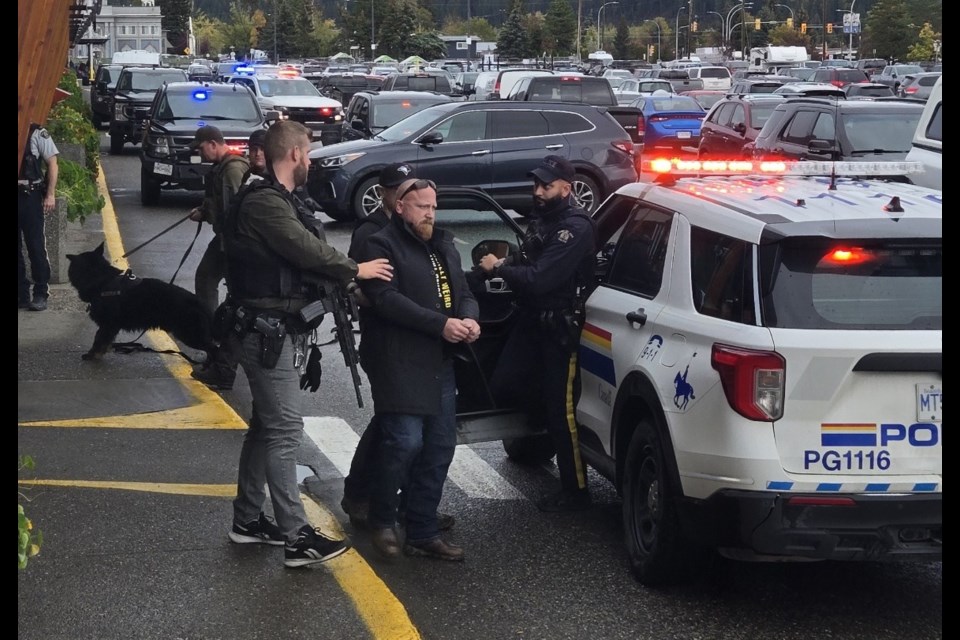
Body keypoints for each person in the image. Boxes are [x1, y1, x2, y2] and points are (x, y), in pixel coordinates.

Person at [220, 120, 393, 568]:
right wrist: (358, 269)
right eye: (309, 152)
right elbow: (307, 250)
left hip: (271, 330)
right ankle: (297, 538)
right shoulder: (264, 203)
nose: (311, 160)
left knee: (266, 426)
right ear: (295, 154)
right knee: (283, 432)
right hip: (264, 333)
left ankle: (247, 520)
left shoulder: (281, 200)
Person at [358, 178, 480, 562]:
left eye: (432, 206)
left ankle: (422, 529)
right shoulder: (381, 244)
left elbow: (464, 292)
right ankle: (381, 519)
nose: (428, 213)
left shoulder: (443, 242)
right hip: (397, 360)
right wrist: (439, 324)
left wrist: (469, 319)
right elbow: (385, 300)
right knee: (404, 442)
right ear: (400, 208)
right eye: (420, 206)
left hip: (439, 360)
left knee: (440, 445)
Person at [477, 155, 597, 512]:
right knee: (503, 386)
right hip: (531, 321)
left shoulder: (574, 228)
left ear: (567, 188)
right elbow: (525, 263)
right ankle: (537, 438)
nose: (539, 191)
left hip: (559, 327)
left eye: (546, 186)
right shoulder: (543, 221)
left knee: (563, 413)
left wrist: (498, 266)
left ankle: (575, 491)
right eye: (536, 185)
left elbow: (541, 277)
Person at [340, 163, 456, 532]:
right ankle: (362, 494)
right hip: (390, 347)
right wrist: (435, 319)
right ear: (390, 195)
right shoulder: (373, 234)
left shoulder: (427, 234)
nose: (428, 211)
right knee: (394, 431)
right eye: (397, 187)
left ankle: (414, 511)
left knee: (416, 436)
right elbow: (376, 295)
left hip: (427, 350)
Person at [188, 125, 249, 390]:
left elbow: (235, 210)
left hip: (233, 242)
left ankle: (215, 341)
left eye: (202, 148)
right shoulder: (224, 167)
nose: (200, 154)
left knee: (231, 298)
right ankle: (214, 339)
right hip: (227, 239)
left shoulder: (231, 170)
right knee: (206, 280)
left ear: (214, 143)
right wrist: (204, 211)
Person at [18, 122, 59, 312]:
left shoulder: (36, 131)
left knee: (35, 245)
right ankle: (21, 294)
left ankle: (41, 292)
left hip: (29, 195)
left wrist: (50, 194)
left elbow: (52, 163)